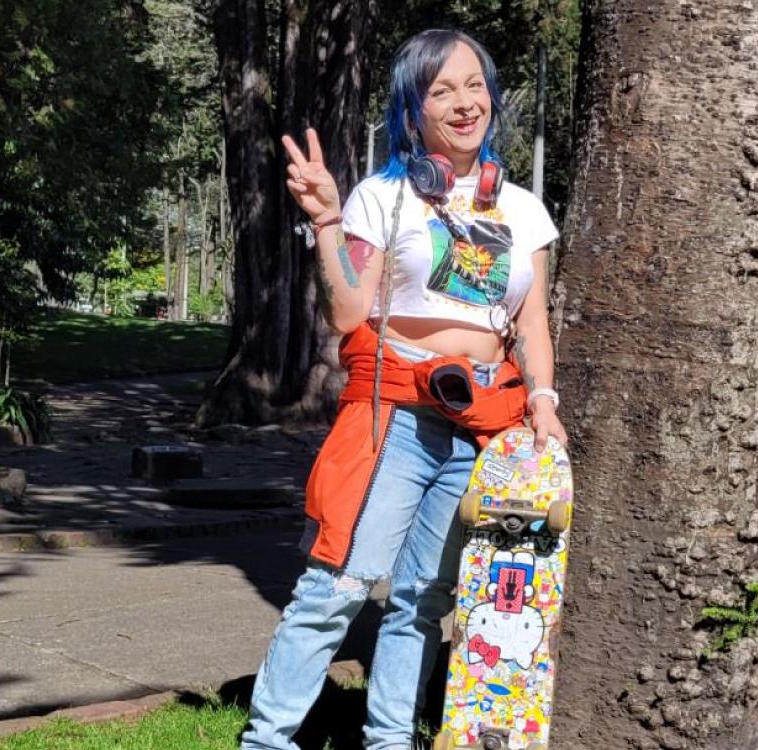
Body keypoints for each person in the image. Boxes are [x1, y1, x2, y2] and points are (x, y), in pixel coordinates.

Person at [240, 29, 565, 750]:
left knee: (425, 599)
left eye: (474, 85)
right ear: (412, 109)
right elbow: (349, 312)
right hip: (396, 415)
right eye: (441, 90)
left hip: (483, 424)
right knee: (338, 586)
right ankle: (268, 740)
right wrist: (326, 219)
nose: (462, 102)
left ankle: (389, 739)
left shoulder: (523, 210)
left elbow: (531, 324)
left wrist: (544, 401)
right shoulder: (382, 195)